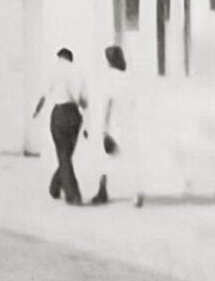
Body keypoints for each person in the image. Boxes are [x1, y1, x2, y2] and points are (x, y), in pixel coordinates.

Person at [31, 46, 88, 205]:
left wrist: (36, 111)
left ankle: (73, 195)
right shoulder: (77, 72)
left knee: (63, 154)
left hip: (59, 114)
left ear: (60, 57)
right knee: (67, 155)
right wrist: (87, 119)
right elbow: (83, 101)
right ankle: (55, 186)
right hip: (74, 115)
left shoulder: (53, 71)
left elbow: (43, 95)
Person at [92, 44, 144, 208]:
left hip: (114, 126)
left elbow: (107, 104)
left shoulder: (109, 78)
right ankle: (136, 193)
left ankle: (102, 191)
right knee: (131, 161)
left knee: (104, 160)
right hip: (129, 125)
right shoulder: (129, 78)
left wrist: (103, 129)